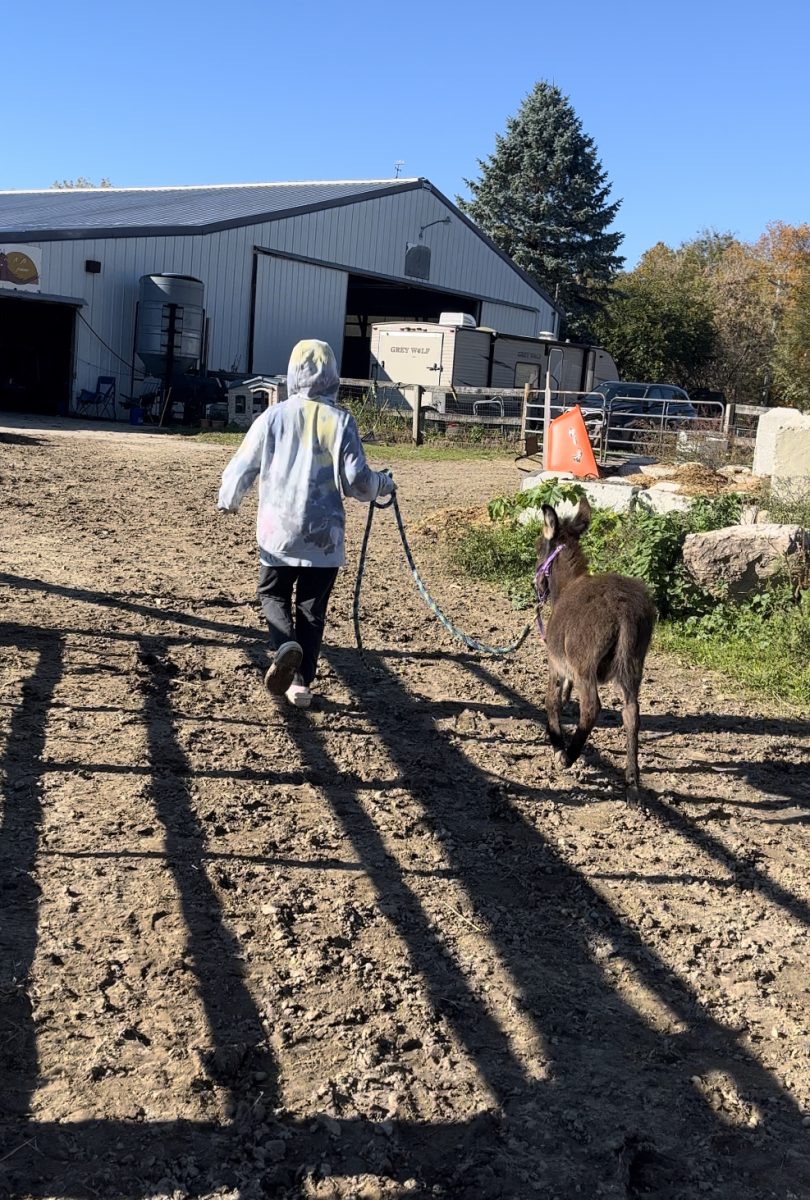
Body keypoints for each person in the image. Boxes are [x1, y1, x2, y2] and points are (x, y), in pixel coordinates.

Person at [218, 339, 394, 708]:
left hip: (278, 533)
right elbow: (357, 482)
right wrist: (383, 483)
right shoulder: (342, 421)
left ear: (292, 373)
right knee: (312, 611)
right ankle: (300, 684)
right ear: (333, 375)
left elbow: (243, 463)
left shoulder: (272, 417)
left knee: (272, 593)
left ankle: (285, 645)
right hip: (324, 539)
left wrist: (229, 498)